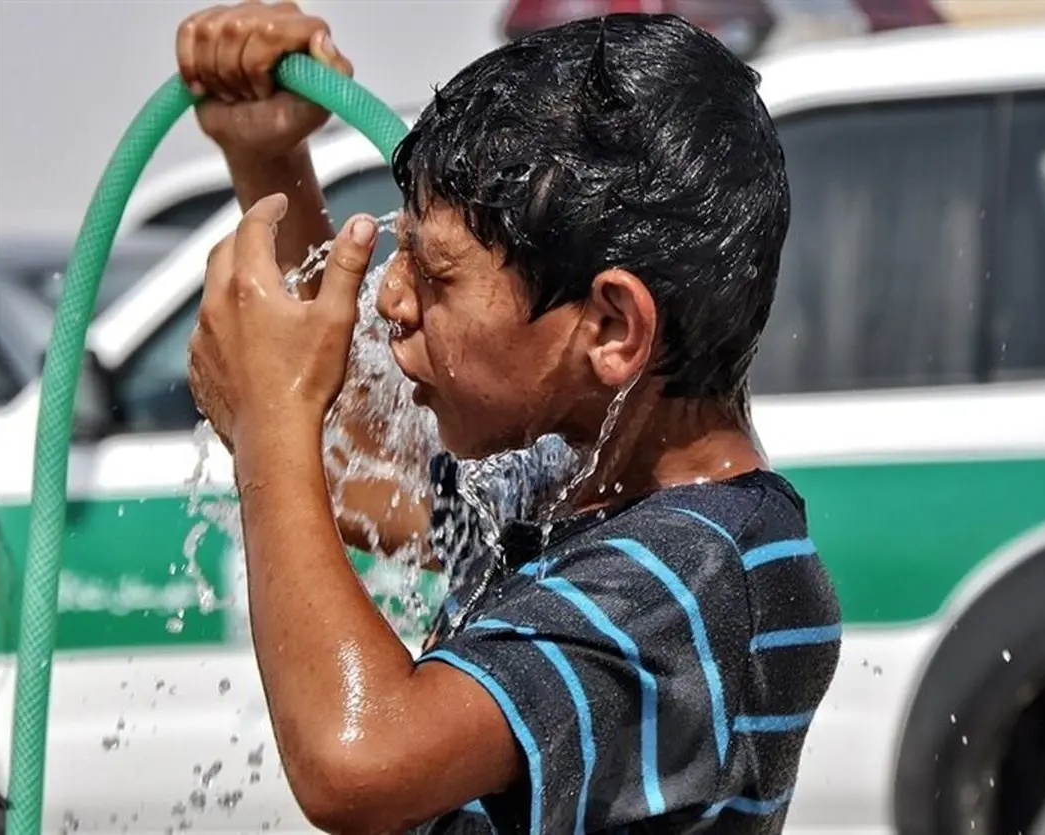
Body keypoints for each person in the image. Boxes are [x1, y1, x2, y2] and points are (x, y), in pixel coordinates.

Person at [180, 2, 842, 833]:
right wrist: (271, 157)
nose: (390, 298)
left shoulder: (691, 574)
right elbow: (350, 475)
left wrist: (270, 416)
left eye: (436, 272)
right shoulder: (573, 484)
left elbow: (357, 760)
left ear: (611, 327)